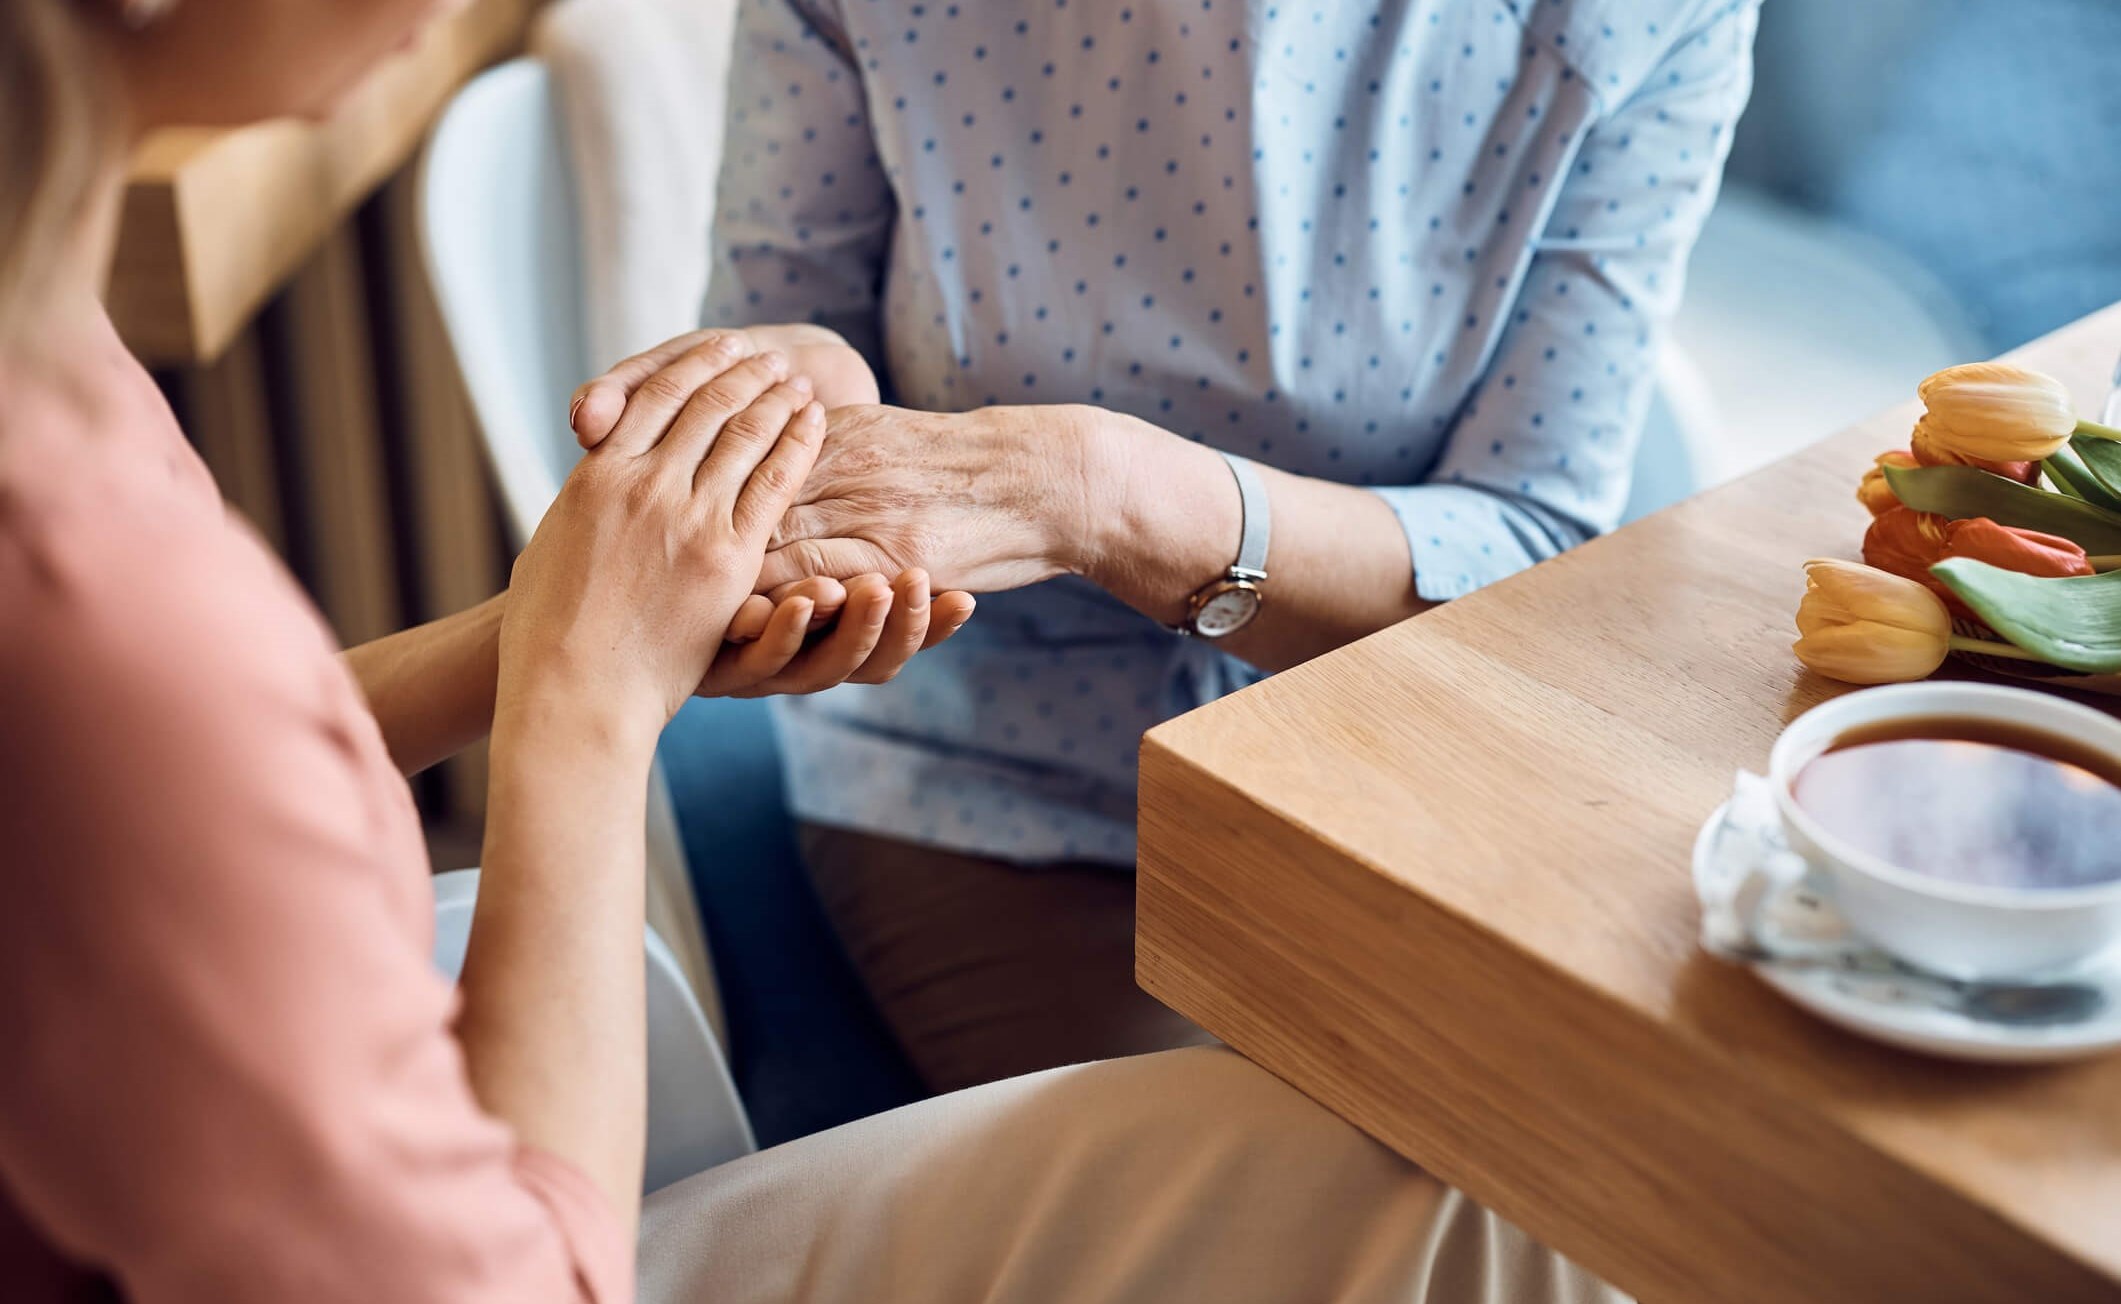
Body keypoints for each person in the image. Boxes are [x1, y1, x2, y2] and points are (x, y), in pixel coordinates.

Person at [0, 0, 1623, 1300]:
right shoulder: (100, 619)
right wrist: (580, 696)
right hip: (509, 1212)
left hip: (326, 1114)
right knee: (1494, 1210)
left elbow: (160, 785)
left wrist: (546, 635)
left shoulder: (51, 350)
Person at [590, 0, 1762, 1094]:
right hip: (1002, 785)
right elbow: (795, 320)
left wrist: (1101, 494)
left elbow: (1535, 542)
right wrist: (799, 407)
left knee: (1641, 1150)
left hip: (1432, 770)